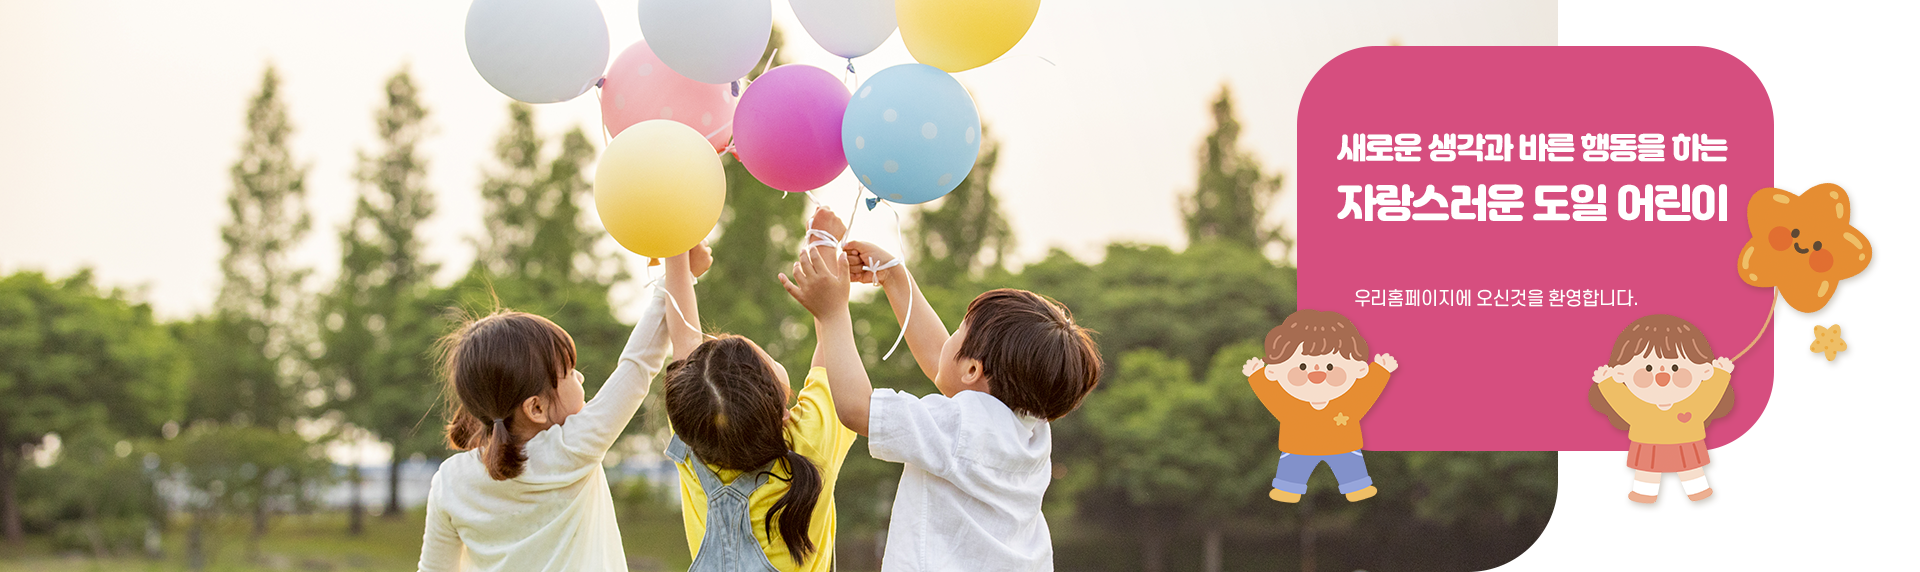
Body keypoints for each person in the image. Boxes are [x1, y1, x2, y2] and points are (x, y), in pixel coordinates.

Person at [778, 212, 1103, 571]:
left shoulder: (959, 428)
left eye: (959, 331)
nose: (948, 338)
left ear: (973, 369)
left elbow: (856, 408)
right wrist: (893, 277)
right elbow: (943, 366)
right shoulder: (1030, 429)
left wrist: (833, 313)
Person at [415, 247, 704, 572]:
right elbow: (638, 364)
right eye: (569, 372)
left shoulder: (450, 481)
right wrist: (680, 269)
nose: (580, 377)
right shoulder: (572, 449)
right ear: (536, 407)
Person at [658, 219, 858, 572]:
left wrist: (680, 235)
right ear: (782, 408)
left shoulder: (696, 435)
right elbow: (833, 347)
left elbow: (684, 339)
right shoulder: (809, 444)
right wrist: (822, 242)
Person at [1242, 310, 1398, 503]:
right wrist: (1258, 376)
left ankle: (1355, 485)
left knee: (1349, 465)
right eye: (1302, 367)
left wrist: (1380, 371)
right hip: (1300, 446)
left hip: (1340, 445)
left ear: (1358, 369)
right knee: (1293, 468)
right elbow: (1271, 396)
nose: (1317, 374)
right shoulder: (1290, 405)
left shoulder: (1348, 403)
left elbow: (1367, 392)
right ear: (1275, 371)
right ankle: (1288, 487)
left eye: (1330, 366)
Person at [1590, 314, 1735, 512]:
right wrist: (1607, 384)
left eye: (1675, 367)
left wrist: (1720, 375)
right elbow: (1621, 402)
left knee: (1691, 471)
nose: (1662, 376)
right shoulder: (1640, 410)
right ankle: (1644, 495)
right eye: (1648, 368)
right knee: (1647, 474)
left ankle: (1698, 492)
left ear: (1703, 371)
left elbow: (1710, 397)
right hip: (1651, 445)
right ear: (1622, 372)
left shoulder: (1693, 406)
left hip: (1684, 443)